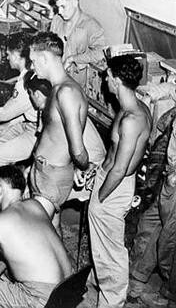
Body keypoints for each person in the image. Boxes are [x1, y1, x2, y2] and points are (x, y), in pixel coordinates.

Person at [88, 55, 151, 308]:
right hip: (110, 181)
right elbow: (113, 159)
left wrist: (100, 197)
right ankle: (99, 283)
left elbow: (120, 168)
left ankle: (112, 302)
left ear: (116, 80)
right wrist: (96, 171)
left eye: (107, 76)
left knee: (112, 253)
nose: (104, 79)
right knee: (104, 245)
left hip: (114, 188)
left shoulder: (131, 119)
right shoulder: (134, 108)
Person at [0, 165, 72, 308]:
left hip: (40, 300)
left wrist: (3, 262)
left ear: (0, 189)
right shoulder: (35, 205)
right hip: (69, 289)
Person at [28, 32, 89, 228]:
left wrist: (83, 168)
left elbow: (78, 150)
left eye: (33, 61)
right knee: (51, 232)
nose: (31, 66)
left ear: (44, 58)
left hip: (52, 178)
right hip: (44, 171)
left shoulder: (67, 93)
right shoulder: (56, 89)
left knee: (33, 233)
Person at [0, 32, 37, 187]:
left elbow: (3, 114)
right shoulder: (29, 73)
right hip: (27, 123)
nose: (7, 58)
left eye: (9, 54)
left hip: (36, 132)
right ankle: (5, 179)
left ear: (17, 55)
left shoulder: (25, 82)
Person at [130, 116, 176, 307]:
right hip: (168, 176)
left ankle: (170, 294)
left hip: (174, 179)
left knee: (169, 239)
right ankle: (136, 281)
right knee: (149, 225)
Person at [49, 0, 106, 86]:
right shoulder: (57, 20)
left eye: (63, 7)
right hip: (55, 78)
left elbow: (100, 53)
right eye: (58, 7)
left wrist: (72, 58)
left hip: (76, 84)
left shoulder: (91, 25)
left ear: (75, 2)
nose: (60, 11)